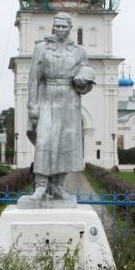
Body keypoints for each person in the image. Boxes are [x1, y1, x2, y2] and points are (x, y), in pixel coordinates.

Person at [26, 12, 95, 200]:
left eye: (65, 26)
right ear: (53, 26)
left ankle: (57, 185)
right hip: (47, 95)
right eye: (58, 26)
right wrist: (32, 105)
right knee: (45, 140)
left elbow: (85, 70)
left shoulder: (78, 51)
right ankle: (40, 185)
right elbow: (33, 79)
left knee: (66, 142)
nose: (61, 30)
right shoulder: (41, 48)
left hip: (69, 99)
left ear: (70, 28)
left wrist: (83, 79)